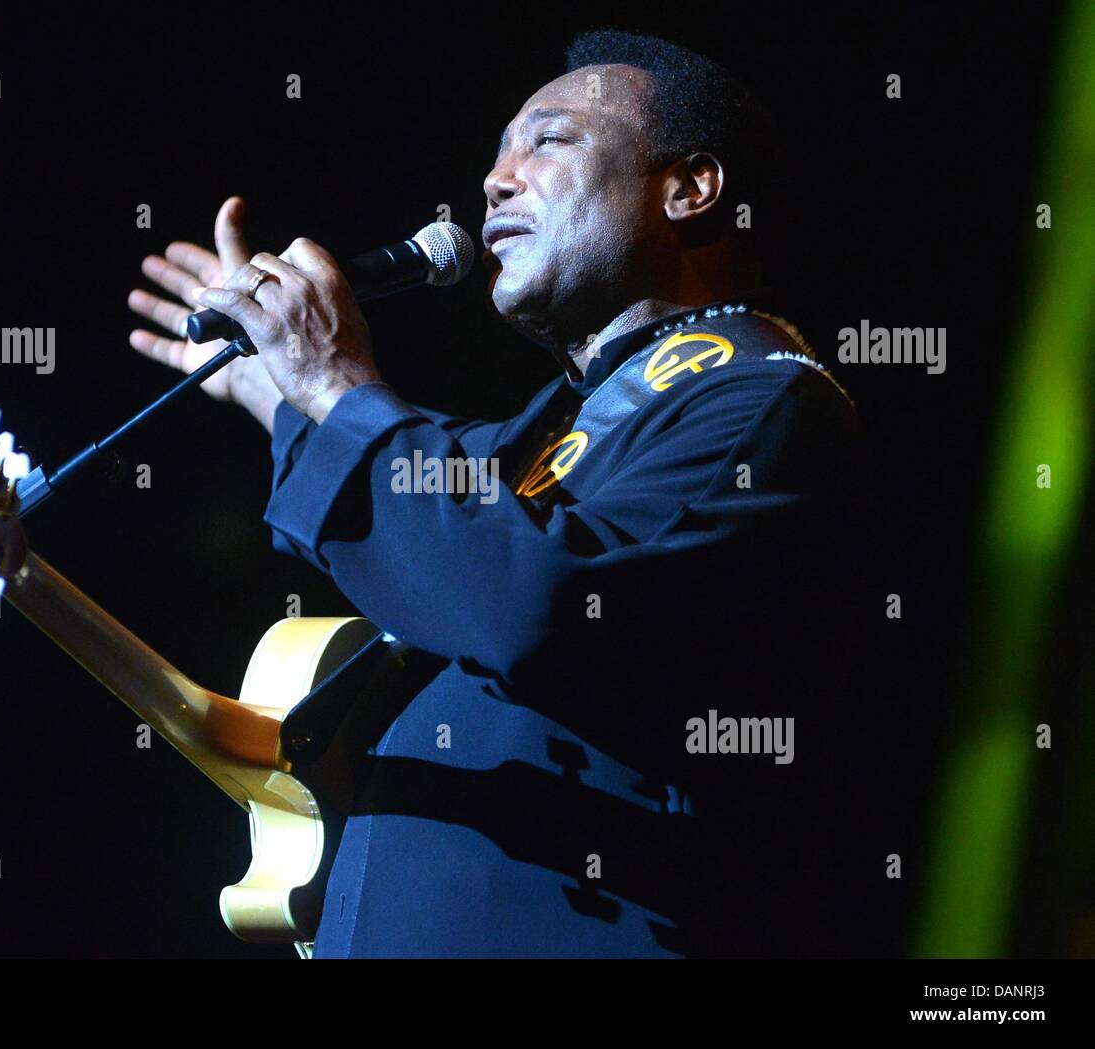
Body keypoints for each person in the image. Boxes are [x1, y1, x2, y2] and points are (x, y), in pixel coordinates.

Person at [127, 29, 867, 958]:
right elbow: (439, 503)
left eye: (548, 140)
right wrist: (275, 384)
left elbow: (528, 597)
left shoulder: (766, 403)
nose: (495, 181)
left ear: (690, 187)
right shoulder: (549, 430)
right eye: (497, 153)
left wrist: (331, 382)